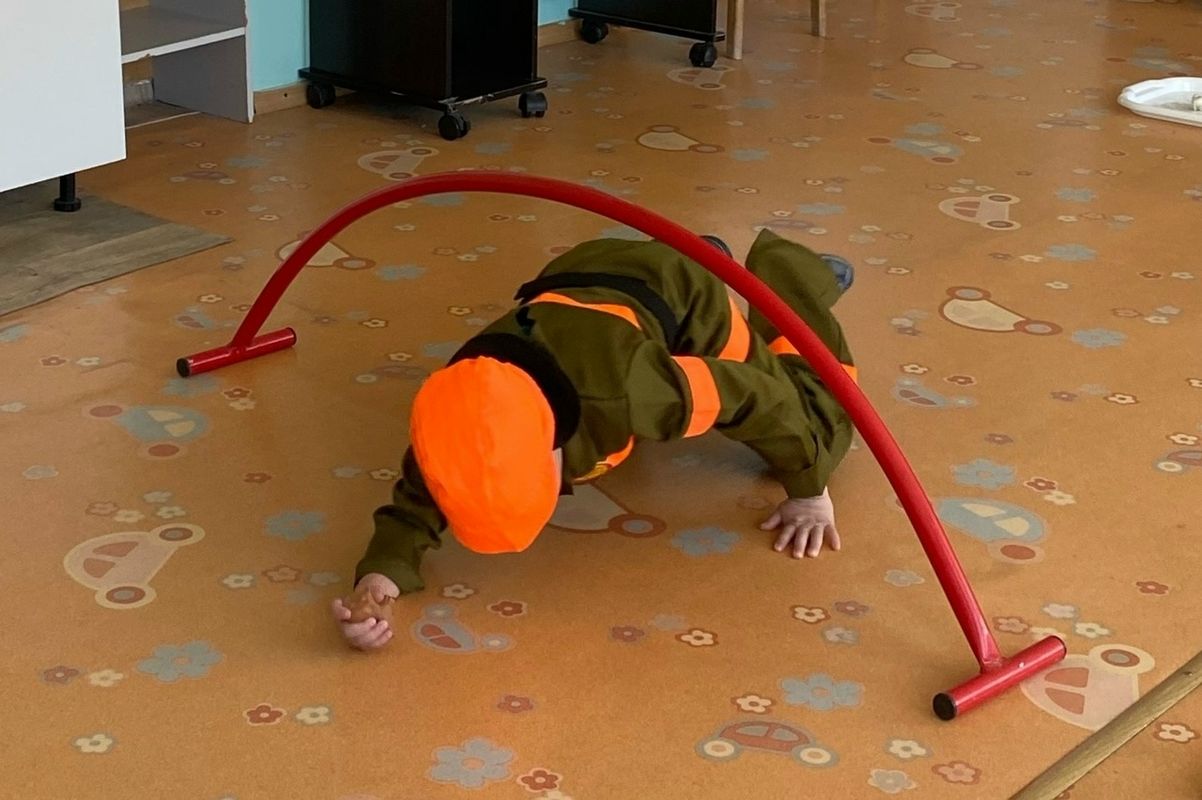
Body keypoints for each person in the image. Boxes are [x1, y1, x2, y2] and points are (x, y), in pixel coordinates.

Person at [331, 229, 857, 650]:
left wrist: (809, 491)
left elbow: (761, 399)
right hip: (580, 274)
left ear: (554, 448)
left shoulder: (634, 391)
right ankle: (690, 251)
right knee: (638, 306)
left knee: (816, 409)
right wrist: (379, 579)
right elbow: (422, 494)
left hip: (680, 296)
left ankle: (788, 274)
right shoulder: (462, 407)